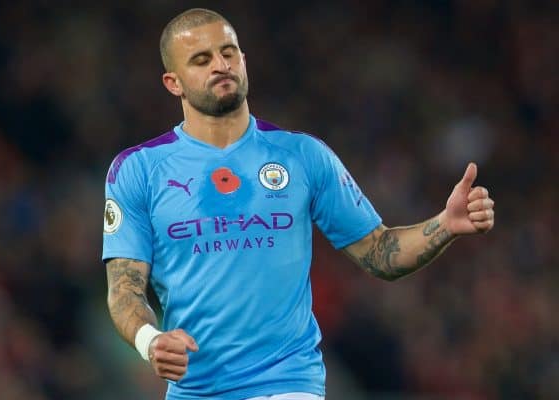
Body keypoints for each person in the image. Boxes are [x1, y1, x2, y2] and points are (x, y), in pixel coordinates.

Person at [102, 8, 495, 400]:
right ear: (174, 83)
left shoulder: (302, 156)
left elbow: (380, 253)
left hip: (288, 384)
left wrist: (446, 224)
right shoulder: (139, 171)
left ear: (244, 61)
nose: (220, 65)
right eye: (201, 60)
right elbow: (124, 291)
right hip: (195, 391)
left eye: (228, 52)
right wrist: (150, 341)